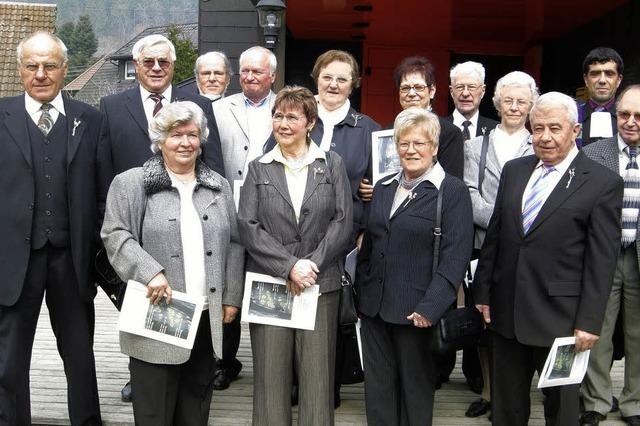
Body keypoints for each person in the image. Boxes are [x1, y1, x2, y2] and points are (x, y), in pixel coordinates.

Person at [473, 92, 623, 426]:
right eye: (537, 128)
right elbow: (496, 236)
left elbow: (602, 261)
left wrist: (589, 320)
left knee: (562, 411)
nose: (545, 137)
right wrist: (482, 292)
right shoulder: (515, 170)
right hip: (507, 312)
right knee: (507, 408)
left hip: (563, 321)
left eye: (554, 128)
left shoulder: (602, 183)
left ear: (575, 130)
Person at [99, 33, 226, 402]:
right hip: (135, 229)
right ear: (136, 66)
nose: (156, 68)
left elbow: (212, 163)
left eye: (164, 62)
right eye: (148, 62)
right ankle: (139, 377)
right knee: (143, 311)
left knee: (191, 302)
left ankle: (191, 374)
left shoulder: (198, 104)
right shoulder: (111, 105)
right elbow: (103, 167)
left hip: (189, 217)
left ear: (174, 67)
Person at [100, 101, 244, 425]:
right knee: (154, 413)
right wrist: (149, 272)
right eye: (176, 135)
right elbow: (114, 234)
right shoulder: (132, 183)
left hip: (206, 317)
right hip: (156, 316)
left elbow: (235, 243)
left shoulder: (218, 186)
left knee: (195, 411)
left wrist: (232, 296)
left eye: (192, 135)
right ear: (160, 140)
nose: (185, 143)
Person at [0, 31, 103, 425]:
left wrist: (93, 246)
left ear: (64, 69)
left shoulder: (89, 120)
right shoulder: (1, 115)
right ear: (20, 69)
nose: (40, 74)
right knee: (8, 359)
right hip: (14, 260)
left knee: (80, 355)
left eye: (49, 65)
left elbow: (102, 190)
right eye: (32, 65)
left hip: (71, 258)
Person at [238, 86, 353, 425]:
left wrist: (311, 265)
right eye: (278, 116)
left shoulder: (331, 164)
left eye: (292, 117)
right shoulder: (259, 167)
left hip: (320, 284)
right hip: (270, 284)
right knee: (271, 378)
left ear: (310, 122)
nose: (283, 123)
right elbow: (248, 225)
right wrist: (289, 266)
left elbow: (343, 221)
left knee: (317, 379)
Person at [355, 107, 473, 425]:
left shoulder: (451, 192)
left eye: (419, 143)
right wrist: (361, 290)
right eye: (404, 143)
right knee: (378, 391)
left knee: (415, 393)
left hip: (417, 312)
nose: (411, 150)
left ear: (434, 147)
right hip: (375, 309)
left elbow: (456, 256)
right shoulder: (383, 187)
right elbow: (371, 244)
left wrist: (431, 307)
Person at [462, 70, 538, 418]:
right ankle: (490, 393)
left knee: (516, 320)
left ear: (530, 105)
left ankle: (513, 394)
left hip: (529, 247)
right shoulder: (475, 145)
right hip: (484, 246)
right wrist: (505, 220)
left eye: (522, 101)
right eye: (508, 100)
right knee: (484, 322)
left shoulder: (539, 144)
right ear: (497, 102)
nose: (514, 106)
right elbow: (470, 193)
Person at [211, 45, 277, 390]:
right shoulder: (219, 108)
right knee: (227, 282)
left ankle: (273, 364)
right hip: (228, 210)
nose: (249, 77)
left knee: (268, 281)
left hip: (272, 212)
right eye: (245, 71)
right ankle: (225, 360)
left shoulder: (288, 108)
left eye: (257, 71)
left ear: (272, 76)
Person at [580, 84, 640, 426]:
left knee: (638, 334)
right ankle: (596, 400)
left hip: (638, 257)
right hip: (602, 256)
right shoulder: (594, 153)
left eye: (638, 116)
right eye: (624, 114)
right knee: (596, 331)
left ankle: (634, 403)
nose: (630, 122)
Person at [577, 47, 624, 147]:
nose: (602, 80)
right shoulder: (572, 116)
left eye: (609, 74)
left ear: (619, 80)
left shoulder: (630, 119)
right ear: (586, 79)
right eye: (595, 74)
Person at [447, 61, 499, 140]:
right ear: (451, 91)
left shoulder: (495, 130)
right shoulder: (438, 127)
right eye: (460, 87)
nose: (465, 93)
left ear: (482, 91)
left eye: (471, 87)